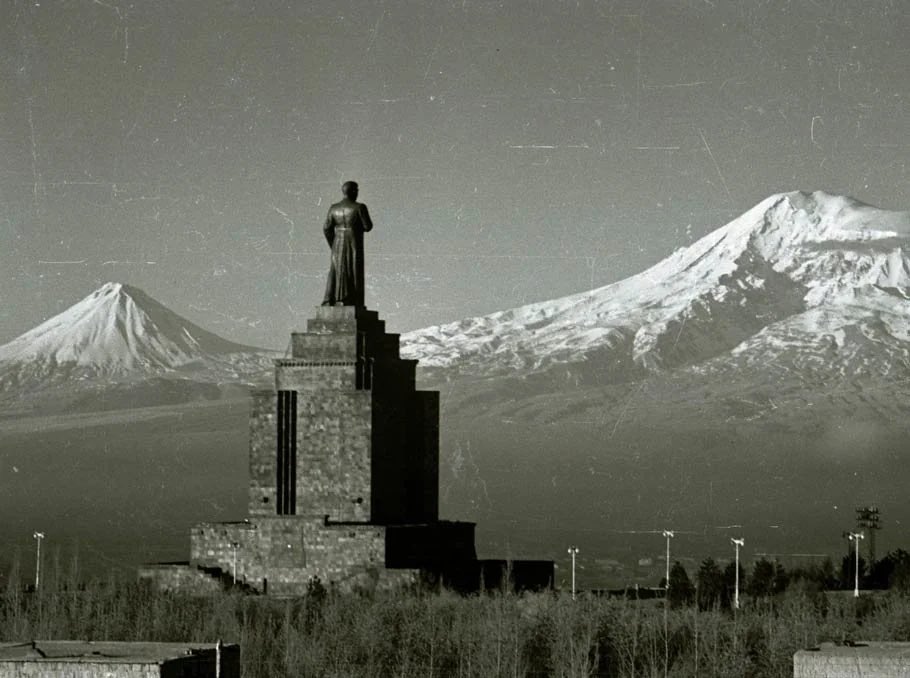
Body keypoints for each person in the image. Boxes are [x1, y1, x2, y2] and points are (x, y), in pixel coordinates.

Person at [321, 181, 373, 307]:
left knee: (335, 271)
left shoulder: (333, 208)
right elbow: (368, 226)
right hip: (353, 241)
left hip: (338, 242)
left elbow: (326, 228)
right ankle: (352, 301)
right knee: (354, 270)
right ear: (354, 191)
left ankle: (330, 300)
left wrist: (333, 245)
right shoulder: (359, 207)